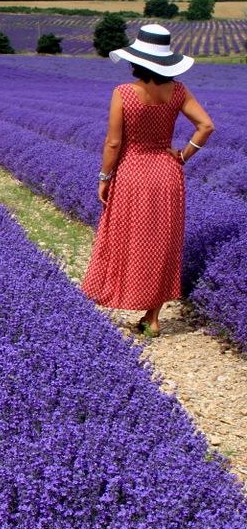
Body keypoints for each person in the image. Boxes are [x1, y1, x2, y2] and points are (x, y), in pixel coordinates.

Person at [82, 24, 215, 337]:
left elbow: (113, 143)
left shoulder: (124, 93)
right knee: (162, 243)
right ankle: (152, 319)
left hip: (132, 173)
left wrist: (104, 176)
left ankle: (110, 295)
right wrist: (182, 155)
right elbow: (206, 126)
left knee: (124, 238)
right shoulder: (178, 91)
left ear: (137, 59)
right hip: (167, 175)